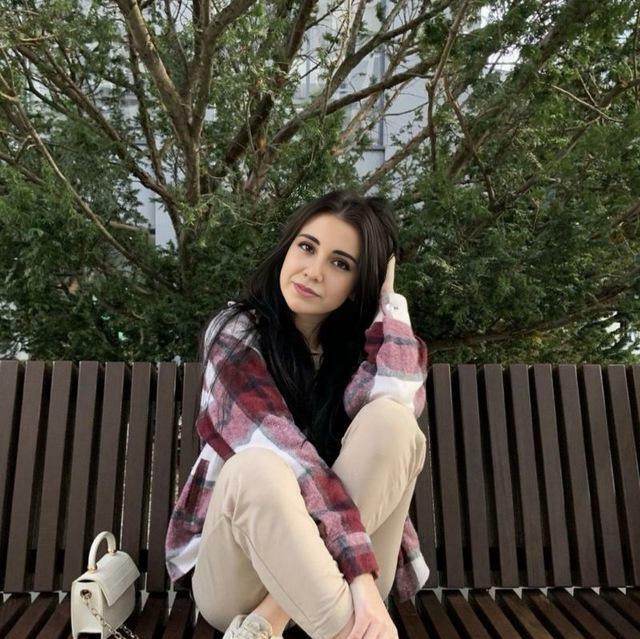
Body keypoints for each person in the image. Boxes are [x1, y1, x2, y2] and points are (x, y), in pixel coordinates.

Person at [165, 189, 430, 639]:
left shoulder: (358, 350)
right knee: (256, 467)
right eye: (307, 247)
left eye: (340, 263)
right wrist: (360, 579)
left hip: (336, 581)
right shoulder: (235, 333)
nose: (313, 270)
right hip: (243, 582)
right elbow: (282, 452)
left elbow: (401, 398)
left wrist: (389, 300)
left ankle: (269, 622)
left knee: (392, 423)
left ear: (358, 285)